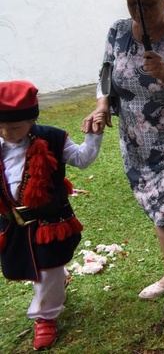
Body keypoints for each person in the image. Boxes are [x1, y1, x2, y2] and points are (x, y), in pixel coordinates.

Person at [82, 0, 164, 322]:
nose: (138, 12)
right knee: (156, 209)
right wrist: (102, 106)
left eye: (148, 4)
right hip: (135, 138)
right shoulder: (118, 32)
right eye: (132, 3)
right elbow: (106, 74)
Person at [0, 81, 104, 350]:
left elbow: (82, 159)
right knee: (30, 266)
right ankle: (59, 282)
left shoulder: (53, 138)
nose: (6, 133)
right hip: (12, 222)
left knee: (48, 269)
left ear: (33, 119)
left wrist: (94, 134)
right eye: (0, 127)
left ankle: (46, 317)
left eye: (14, 127)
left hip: (49, 221)